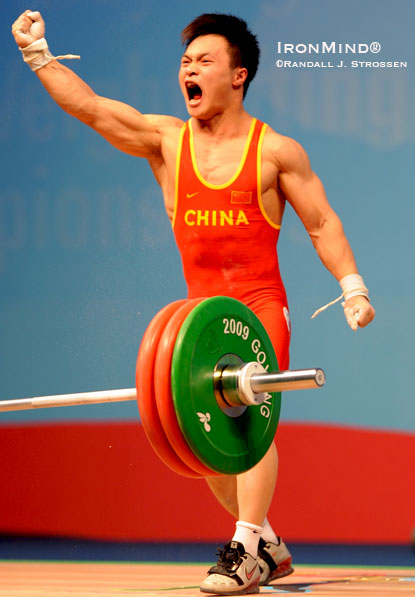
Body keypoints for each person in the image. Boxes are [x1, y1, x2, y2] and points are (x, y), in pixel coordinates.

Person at [11, 10, 375, 596]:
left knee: (250, 416)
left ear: (238, 76)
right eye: (184, 62)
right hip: (202, 316)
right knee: (202, 441)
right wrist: (38, 55)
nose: (189, 70)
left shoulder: (274, 152)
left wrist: (351, 286)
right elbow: (91, 108)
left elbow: (321, 221)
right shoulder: (166, 142)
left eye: (203, 60)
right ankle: (268, 546)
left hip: (258, 310)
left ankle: (246, 545)